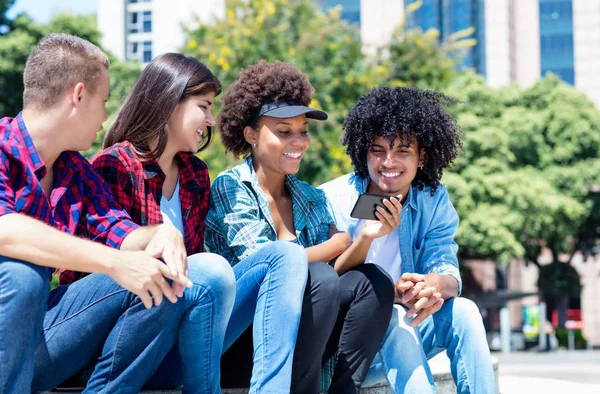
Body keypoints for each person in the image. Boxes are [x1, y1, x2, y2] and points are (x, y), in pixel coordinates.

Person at [0, 33, 219, 394]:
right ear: (79, 95)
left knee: (158, 273)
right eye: (103, 102)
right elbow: (6, 230)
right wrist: (113, 262)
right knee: (23, 275)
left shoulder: (77, 173)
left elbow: (121, 231)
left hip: (43, 338)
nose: (106, 116)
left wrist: (160, 234)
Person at [205, 60, 394, 394]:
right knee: (316, 277)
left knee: (373, 281)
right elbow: (268, 266)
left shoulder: (309, 196)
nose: (299, 141)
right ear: (250, 134)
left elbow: (336, 273)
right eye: (284, 131)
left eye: (302, 131)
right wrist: (336, 243)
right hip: (243, 342)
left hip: (300, 340)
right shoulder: (230, 187)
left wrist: (361, 238)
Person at [69, 53, 235, 393]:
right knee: (201, 269)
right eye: (203, 107)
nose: (211, 119)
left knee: (270, 262)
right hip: (115, 345)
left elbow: (198, 271)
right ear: (171, 103)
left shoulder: (195, 174)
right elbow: (95, 280)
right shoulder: (114, 165)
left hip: (180, 334)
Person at [319, 86, 496, 393]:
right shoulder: (332, 198)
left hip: (409, 334)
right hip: (349, 352)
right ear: (364, 152)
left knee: (464, 311)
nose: (388, 162)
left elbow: (447, 269)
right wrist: (365, 241)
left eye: (402, 150)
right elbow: (324, 285)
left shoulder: (432, 200)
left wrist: (433, 285)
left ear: (422, 156)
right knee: (392, 314)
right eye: (377, 150)